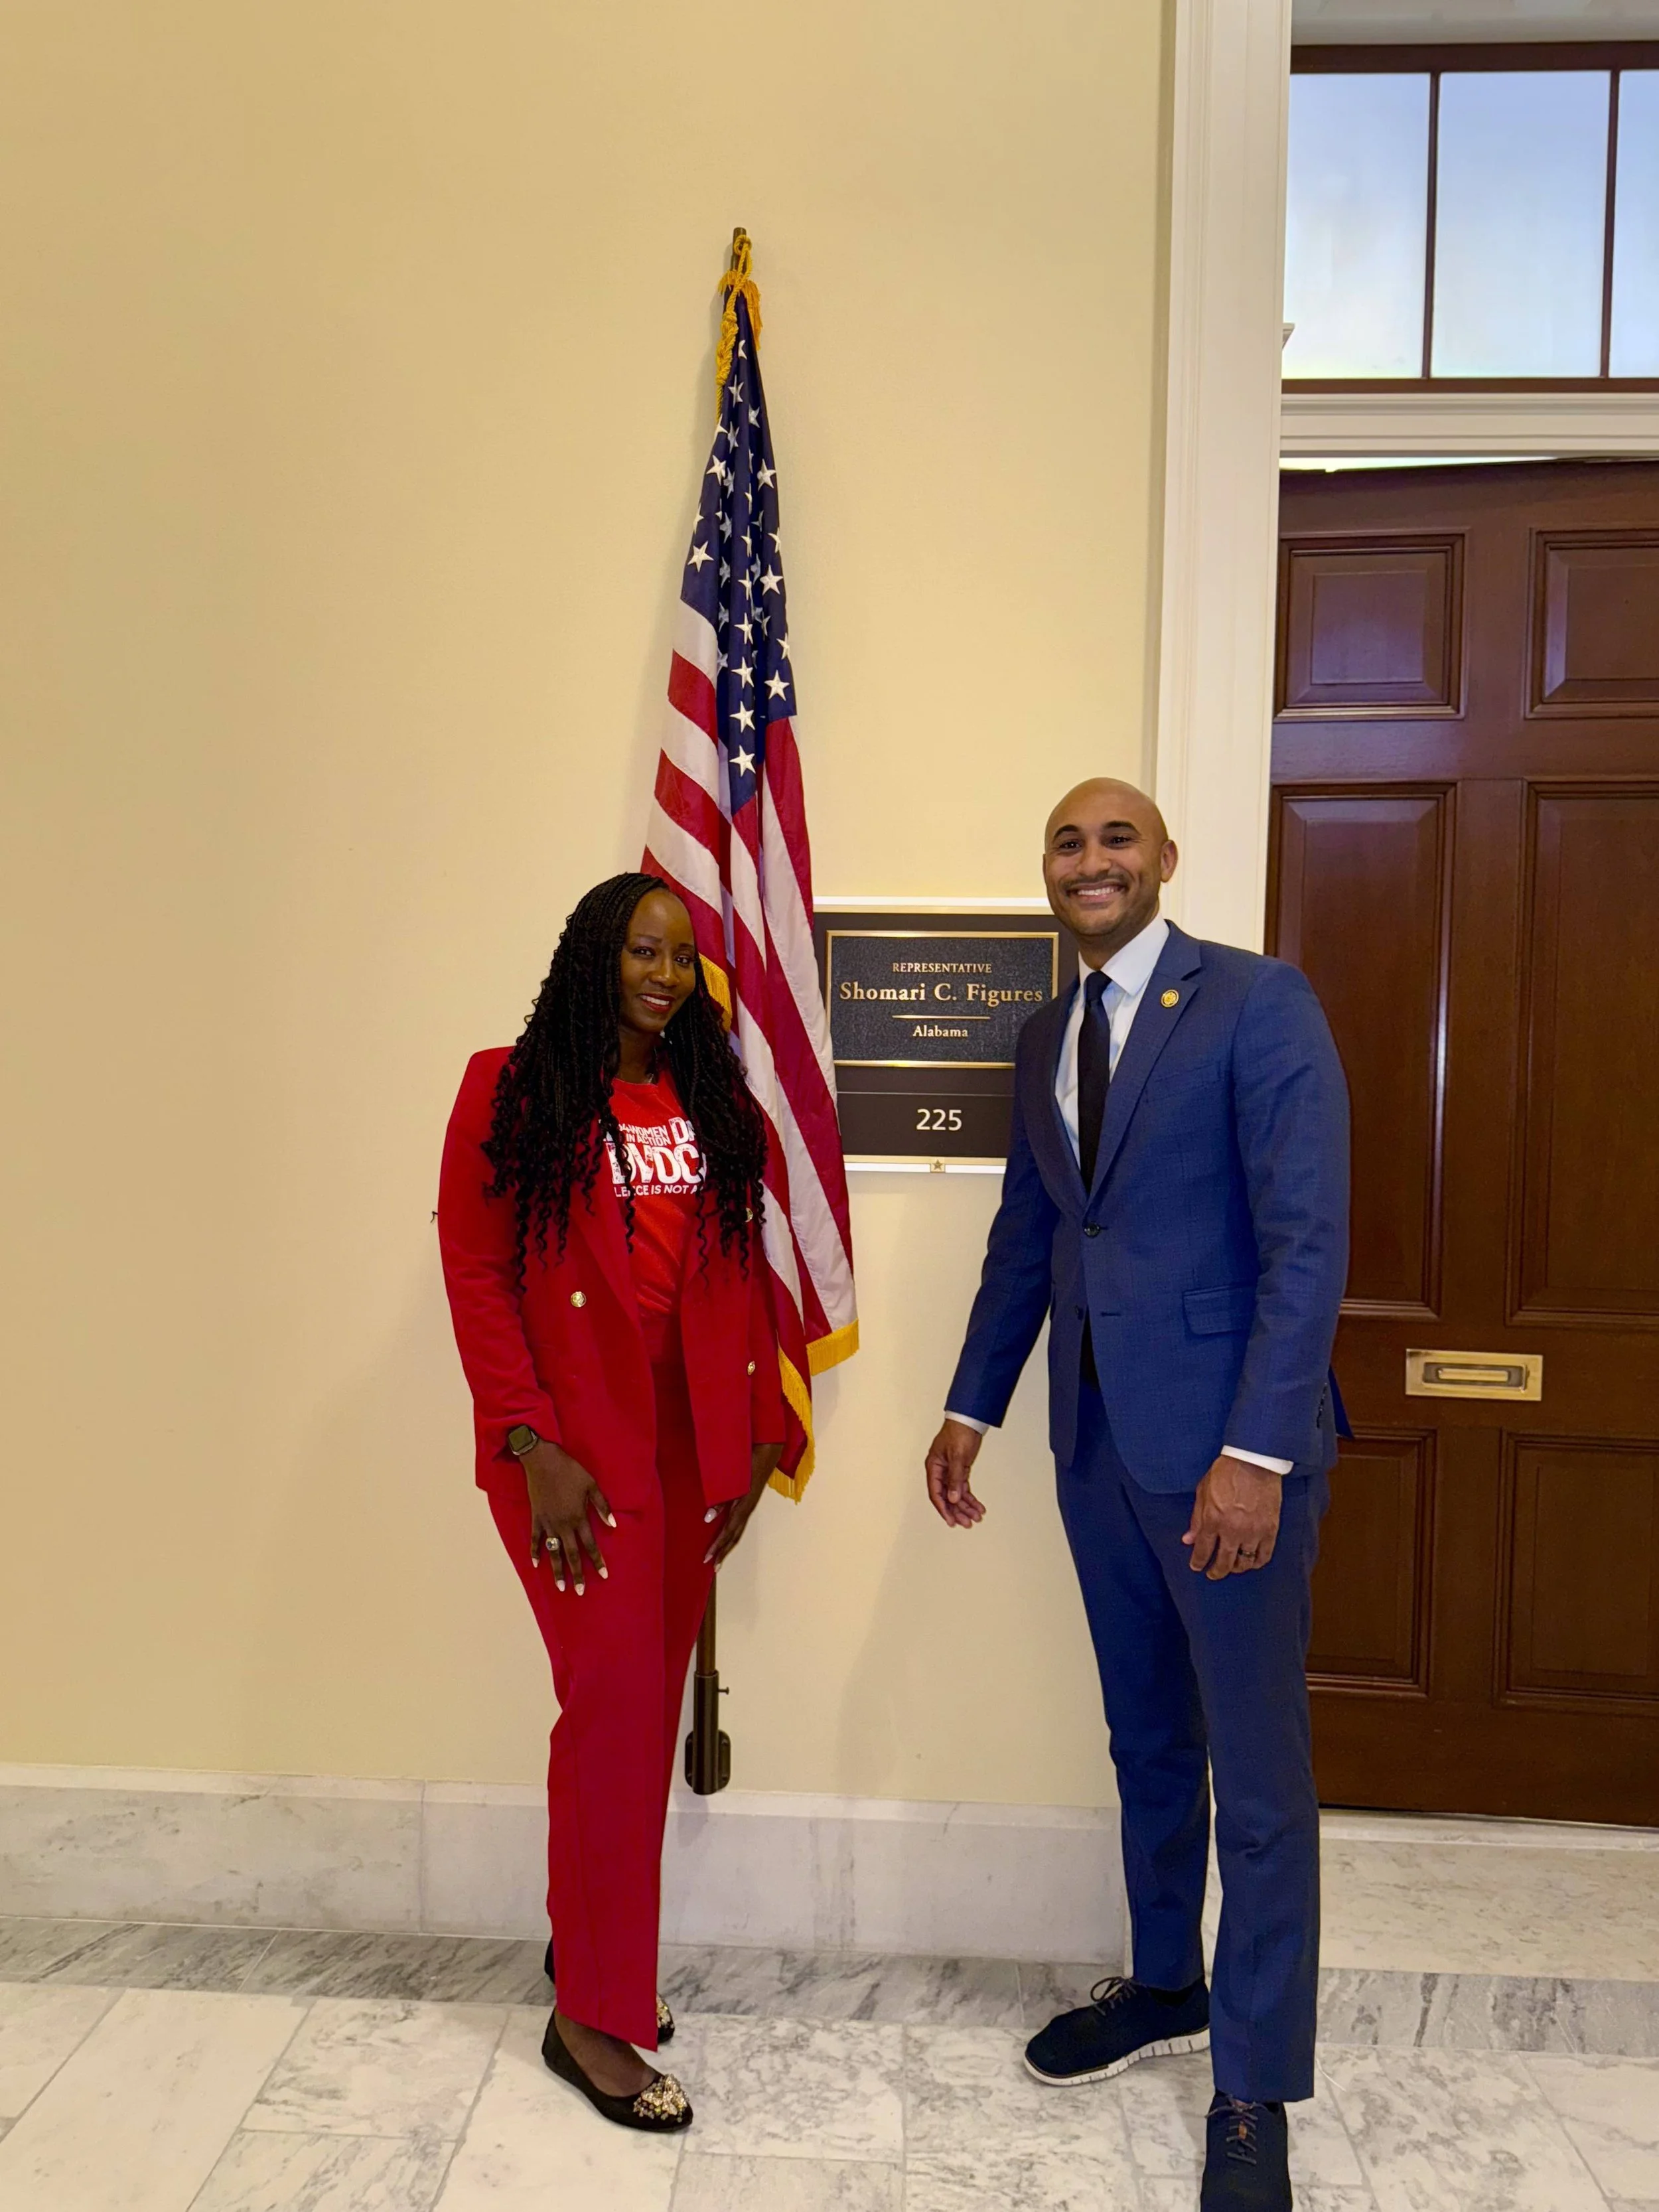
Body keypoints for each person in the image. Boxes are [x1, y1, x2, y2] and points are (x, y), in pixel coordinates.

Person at [924, 780, 1348, 2212]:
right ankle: (1166, 1978)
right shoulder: (1046, 1034)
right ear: (1041, 868)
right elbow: (1028, 1235)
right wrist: (970, 1404)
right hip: (1094, 1453)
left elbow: (1303, 1246)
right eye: (1063, 840)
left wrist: (1257, 1453)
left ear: (1163, 861)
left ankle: (1254, 2083)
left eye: (1115, 839)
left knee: (1259, 1777)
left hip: (1229, 1461)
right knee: (1146, 1742)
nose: (1088, 860)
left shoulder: (1254, 1002)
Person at [439, 871, 785, 2133]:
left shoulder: (710, 1097)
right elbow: (476, 1272)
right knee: (616, 1717)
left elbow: (740, 1274)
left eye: (681, 956)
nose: (664, 972)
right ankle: (590, 2014)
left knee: (626, 1719)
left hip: (689, 1452)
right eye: (642, 949)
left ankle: (586, 1955)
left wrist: (756, 1436)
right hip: (573, 1459)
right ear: (595, 957)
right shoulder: (509, 1086)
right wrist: (528, 1441)